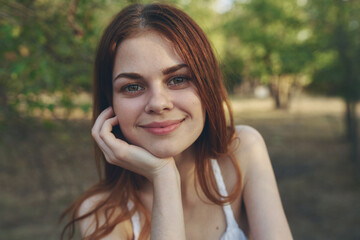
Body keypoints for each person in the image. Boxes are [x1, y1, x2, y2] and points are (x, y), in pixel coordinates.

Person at [61, 3, 293, 240]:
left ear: (207, 85)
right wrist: (164, 177)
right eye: (132, 86)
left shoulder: (243, 152)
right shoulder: (102, 213)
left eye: (178, 79)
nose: (158, 103)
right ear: (110, 103)